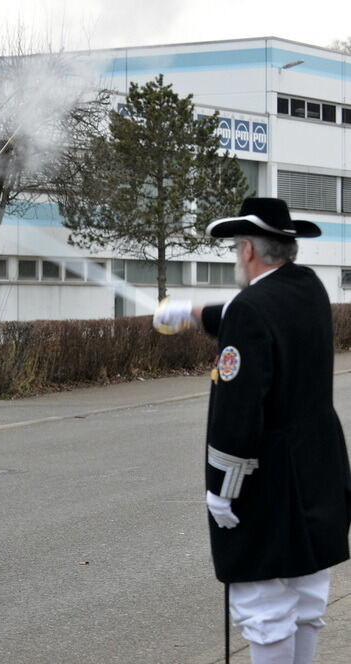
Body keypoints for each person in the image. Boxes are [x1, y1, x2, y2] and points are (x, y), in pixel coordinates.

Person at [154, 198, 351, 664]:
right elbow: (257, 314)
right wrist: (194, 312)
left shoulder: (252, 309)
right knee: (306, 600)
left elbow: (239, 410)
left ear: (247, 250)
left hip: (267, 482)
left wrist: (223, 488)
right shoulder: (308, 288)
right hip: (318, 470)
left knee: (262, 610)